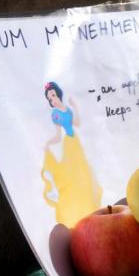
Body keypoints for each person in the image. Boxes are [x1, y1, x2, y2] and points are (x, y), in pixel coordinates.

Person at [41, 82, 102, 228]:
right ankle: (76, 211)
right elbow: (57, 135)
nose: (53, 100)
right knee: (73, 177)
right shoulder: (55, 114)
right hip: (68, 145)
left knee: (83, 173)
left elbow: (78, 123)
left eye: (53, 96)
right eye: (50, 99)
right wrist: (47, 144)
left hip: (76, 143)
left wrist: (75, 107)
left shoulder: (67, 109)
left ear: (58, 94)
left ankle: (88, 206)